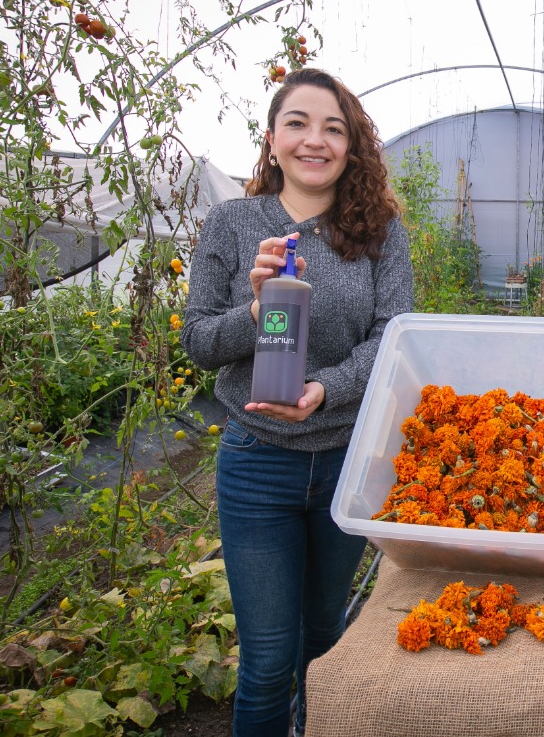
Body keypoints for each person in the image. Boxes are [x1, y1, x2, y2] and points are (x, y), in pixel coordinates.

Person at [182, 68, 414, 735]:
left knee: (326, 642)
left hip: (347, 460)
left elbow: (394, 335)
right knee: (266, 662)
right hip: (257, 463)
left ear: (351, 146)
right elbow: (198, 341)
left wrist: (327, 389)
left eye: (333, 128)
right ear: (272, 139)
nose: (316, 140)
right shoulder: (233, 224)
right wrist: (256, 309)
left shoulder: (379, 230)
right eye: (298, 123)